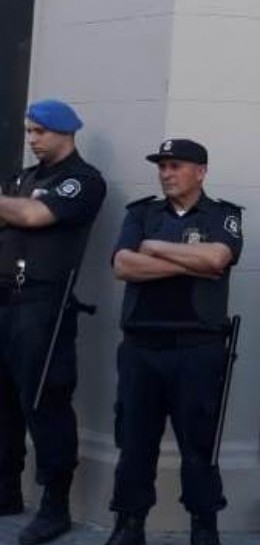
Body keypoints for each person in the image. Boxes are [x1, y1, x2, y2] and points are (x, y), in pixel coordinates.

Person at [104, 139, 243, 545]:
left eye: (175, 166)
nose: (166, 173)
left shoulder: (222, 216)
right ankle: (129, 524)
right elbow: (123, 265)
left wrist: (156, 248)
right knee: (134, 442)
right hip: (141, 347)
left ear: (200, 172)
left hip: (196, 349)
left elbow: (217, 259)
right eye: (162, 166)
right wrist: (188, 261)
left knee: (199, 444)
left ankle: (203, 526)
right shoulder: (141, 213)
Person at [0, 99, 107, 545]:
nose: (32, 139)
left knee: (46, 404)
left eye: (40, 131)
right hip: (4, 299)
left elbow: (30, 216)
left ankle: (55, 506)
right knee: (3, 403)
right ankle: (5, 491)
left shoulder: (81, 181)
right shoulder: (24, 179)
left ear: (66, 132)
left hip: (42, 305)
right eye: (28, 131)